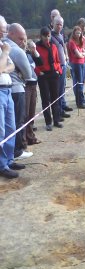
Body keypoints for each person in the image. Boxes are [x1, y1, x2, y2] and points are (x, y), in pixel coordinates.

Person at [0, 15, 25, 179]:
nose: (5, 32)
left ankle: (9, 160)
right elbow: (2, 66)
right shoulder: (4, 48)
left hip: (8, 89)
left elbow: (11, 65)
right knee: (1, 130)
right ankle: (2, 165)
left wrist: (4, 66)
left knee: (11, 128)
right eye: (2, 29)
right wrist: (5, 54)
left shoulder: (1, 45)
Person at [5, 23, 33, 160]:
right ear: (11, 34)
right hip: (16, 89)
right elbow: (28, 74)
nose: (23, 42)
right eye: (20, 38)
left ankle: (11, 153)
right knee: (17, 122)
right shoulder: (16, 50)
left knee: (10, 124)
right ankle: (17, 151)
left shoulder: (4, 45)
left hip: (8, 88)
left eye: (24, 39)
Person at [35, 26, 63, 131]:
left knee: (55, 98)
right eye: (45, 36)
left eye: (48, 36)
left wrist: (58, 71)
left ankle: (56, 120)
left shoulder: (54, 47)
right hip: (43, 76)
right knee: (45, 99)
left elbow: (58, 61)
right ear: (41, 36)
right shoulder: (37, 47)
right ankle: (48, 122)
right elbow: (33, 63)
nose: (47, 38)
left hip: (53, 74)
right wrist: (38, 72)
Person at [51, 15, 73, 119]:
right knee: (57, 92)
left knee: (62, 90)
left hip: (63, 65)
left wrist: (66, 56)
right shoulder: (50, 36)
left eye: (61, 24)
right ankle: (57, 113)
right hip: (56, 67)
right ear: (53, 24)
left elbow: (63, 45)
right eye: (57, 24)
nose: (59, 26)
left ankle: (61, 110)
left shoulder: (61, 35)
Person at [22, 38, 42, 145]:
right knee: (24, 114)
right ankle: (24, 140)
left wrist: (35, 51)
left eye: (25, 41)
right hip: (25, 86)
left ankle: (30, 137)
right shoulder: (20, 53)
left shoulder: (29, 54)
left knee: (31, 114)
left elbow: (40, 62)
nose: (25, 44)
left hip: (34, 84)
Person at [68, 26, 85, 109]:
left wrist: (82, 54)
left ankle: (82, 99)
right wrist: (82, 54)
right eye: (77, 33)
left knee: (82, 82)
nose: (78, 35)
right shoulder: (71, 42)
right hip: (76, 64)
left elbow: (84, 51)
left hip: (83, 63)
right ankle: (79, 102)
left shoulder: (82, 39)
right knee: (78, 83)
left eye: (79, 33)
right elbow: (78, 54)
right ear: (74, 33)